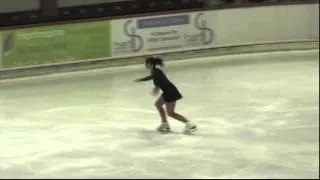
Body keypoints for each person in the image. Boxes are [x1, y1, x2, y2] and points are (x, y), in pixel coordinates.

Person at [134, 56, 197, 133]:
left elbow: (157, 80)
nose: (145, 65)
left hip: (170, 92)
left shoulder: (156, 71)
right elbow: (155, 78)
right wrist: (155, 87)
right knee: (158, 104)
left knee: (170, 113)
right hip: (168, 91)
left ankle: (189, 124)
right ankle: (164, 123)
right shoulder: (155, 71)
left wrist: (155, 88)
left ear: (150, 64)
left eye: (146, 63)